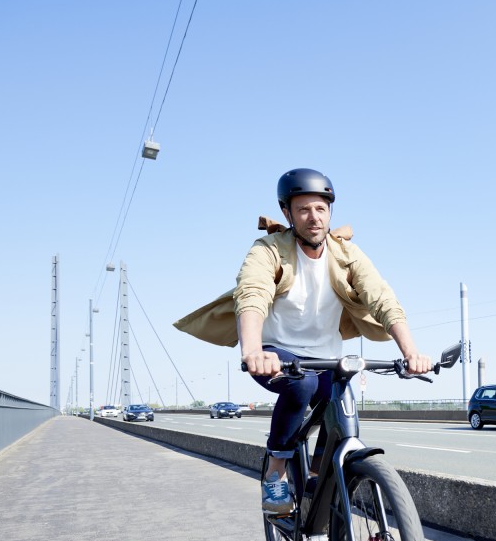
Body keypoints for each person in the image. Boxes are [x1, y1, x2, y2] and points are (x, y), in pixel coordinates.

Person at [175, 168, 431, 513]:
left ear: (330, 212)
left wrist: (411, 352)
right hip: (274, 354)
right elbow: (251, 294)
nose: (314, 217)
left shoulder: (346, 254)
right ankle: (276, 471)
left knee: (340, 400)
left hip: (326, 357)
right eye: (304, 209)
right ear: (288, 214)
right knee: (301, 385)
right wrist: (252, 350)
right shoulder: (269, 250)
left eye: (321, 209)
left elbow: (382, 298)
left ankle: (315, 477)